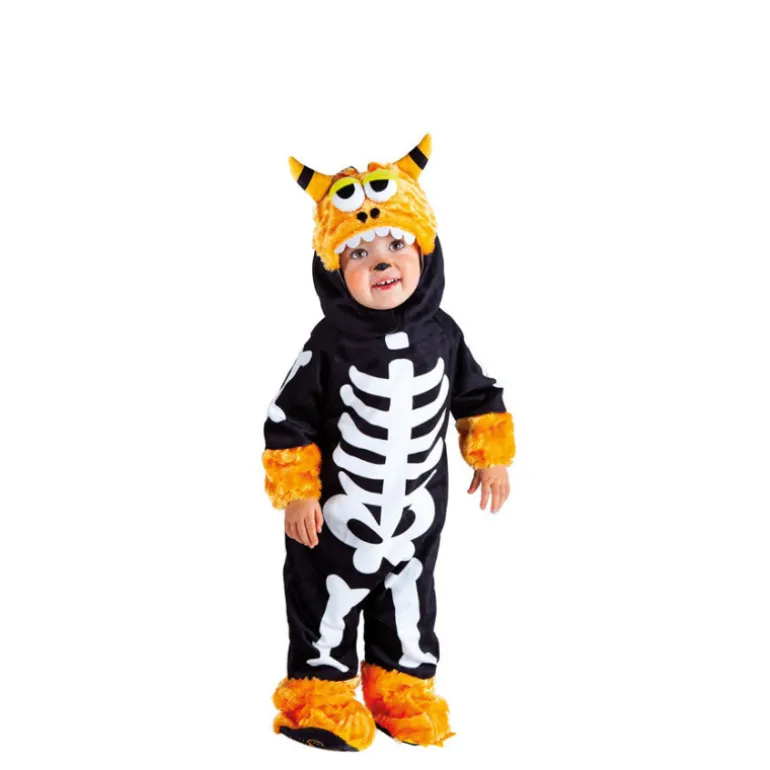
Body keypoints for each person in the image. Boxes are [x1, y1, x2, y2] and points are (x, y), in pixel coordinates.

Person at [262, 134, 516, 751]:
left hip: (414, 521)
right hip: (333, 521)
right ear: (334, 269)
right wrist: (297, 494)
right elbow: (287, 419)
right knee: (324, 605)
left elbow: (477, 394)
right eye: (359, 252)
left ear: (424, 251)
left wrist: (491, 457)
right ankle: (318, 699)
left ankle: (401, 690)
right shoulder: (327, 343)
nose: (382, 262)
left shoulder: (444, 334)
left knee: (409, 605)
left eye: (396, 244)